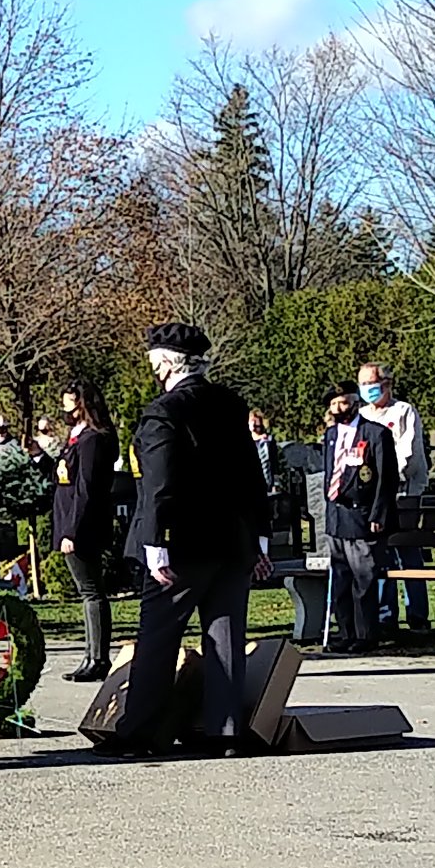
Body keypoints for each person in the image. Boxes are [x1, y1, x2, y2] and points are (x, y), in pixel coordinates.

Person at [105, 323, 271, 757]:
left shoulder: (164, 411)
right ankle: (226, 731)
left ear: (163, 363)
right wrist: (260, 537)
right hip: (232, 541)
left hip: (182, 544)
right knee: (225, 635)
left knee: (159, 638)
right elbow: (250, 474)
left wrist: (155, 542)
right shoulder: (230, 404)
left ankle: (138, 731)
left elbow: (161, 483)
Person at [324, 381, 399, 653]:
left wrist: (378, 514)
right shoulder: (331, 435)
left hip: (363, 516)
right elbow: (329, 472)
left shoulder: (375, 434)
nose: (337, 408)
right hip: (337, 517)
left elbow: (387, 480)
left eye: (342, 402)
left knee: (363, 579)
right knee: (341, 580)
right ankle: (346, 632)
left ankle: (366, 634)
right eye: (332, 404)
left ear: (355, 402)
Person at [52, 380, 118, 682]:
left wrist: (73, 531)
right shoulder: (76, 437)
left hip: (83, 524)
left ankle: (98, 657)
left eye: (70, 401)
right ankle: (90, 655)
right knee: (87, 592)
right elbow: (65, 477)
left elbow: (87, 487)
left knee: (91, 591)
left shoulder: (92, 439)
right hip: (69, 518)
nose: (65, 407)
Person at [358, 364, 430, 634]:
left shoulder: (403, 412)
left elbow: (408, 454)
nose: (368, 389)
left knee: (408, 555)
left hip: (403, 493)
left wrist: (387, 479)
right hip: (373, 499)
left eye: (372, 383)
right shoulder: (362, 415)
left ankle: (417, 616)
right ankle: (386, 616)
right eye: (363, 384)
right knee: (380, 557)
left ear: (386, 383)